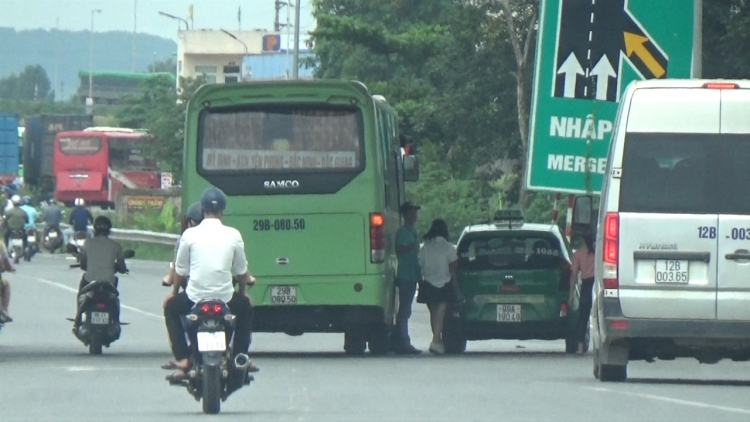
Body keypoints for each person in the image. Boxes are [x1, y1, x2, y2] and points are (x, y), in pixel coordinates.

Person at [162, 187, 257, 383]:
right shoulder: (233, 234)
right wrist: (243, 292)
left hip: (195, 296)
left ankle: (182, 358)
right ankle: (240, 356)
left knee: (171, 308)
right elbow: (241, 271)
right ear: (222, 210)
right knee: (246, 307)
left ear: (202, 208)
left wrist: (174, 292)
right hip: (225, 297)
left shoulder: (189, 235)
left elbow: (180, 270)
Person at [73, 216, 128, 332]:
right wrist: (121, 268)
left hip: (89, 280)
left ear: (94, 229)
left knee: (81, 295)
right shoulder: (115, 245)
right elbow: (122, 266)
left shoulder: (87, 243)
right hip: (109, 282)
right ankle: (116, 320)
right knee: (114, 298)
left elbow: (83, 263)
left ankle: (78, 319)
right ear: (109, 230)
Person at [417, 219, 458, 355]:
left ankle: (437, 341)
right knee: (440, 313)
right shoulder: (448, 247)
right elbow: (453, 265)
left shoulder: (424, 247)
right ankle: (435, 341)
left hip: (428, 283)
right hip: (443, 284)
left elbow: (420, 263)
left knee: (433, 313)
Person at [393, 202, 422, 354]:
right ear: (405, 215)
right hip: (405, 275)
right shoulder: (403, 232)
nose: (414, 216)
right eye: (411, 213)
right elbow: (400, 249)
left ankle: (400, 340)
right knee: (404, 310)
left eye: (415, 213)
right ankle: (402, 341)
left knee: (406, 310)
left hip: (412, 275)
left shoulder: (412, 231)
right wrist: (412, 247)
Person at [162, 202, 203, 287]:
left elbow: (177, 265)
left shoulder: (185, 238)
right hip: (220, 289)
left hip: (193, 288)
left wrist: (170, 281)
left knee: (170, 301)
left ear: (191, 222)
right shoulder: (222, 236)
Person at [570, 230, 596, 355]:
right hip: (598, 284)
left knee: (583, 317)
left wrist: (571, 295)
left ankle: (580, 347)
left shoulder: (578, 254)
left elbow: (574, 275)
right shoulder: (597, 252)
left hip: (586, 285)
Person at [0, 241, 16, 322]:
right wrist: (10, 268)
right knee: (6, 285)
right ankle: (4, 310)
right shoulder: (1, 244)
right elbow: (6, 262)